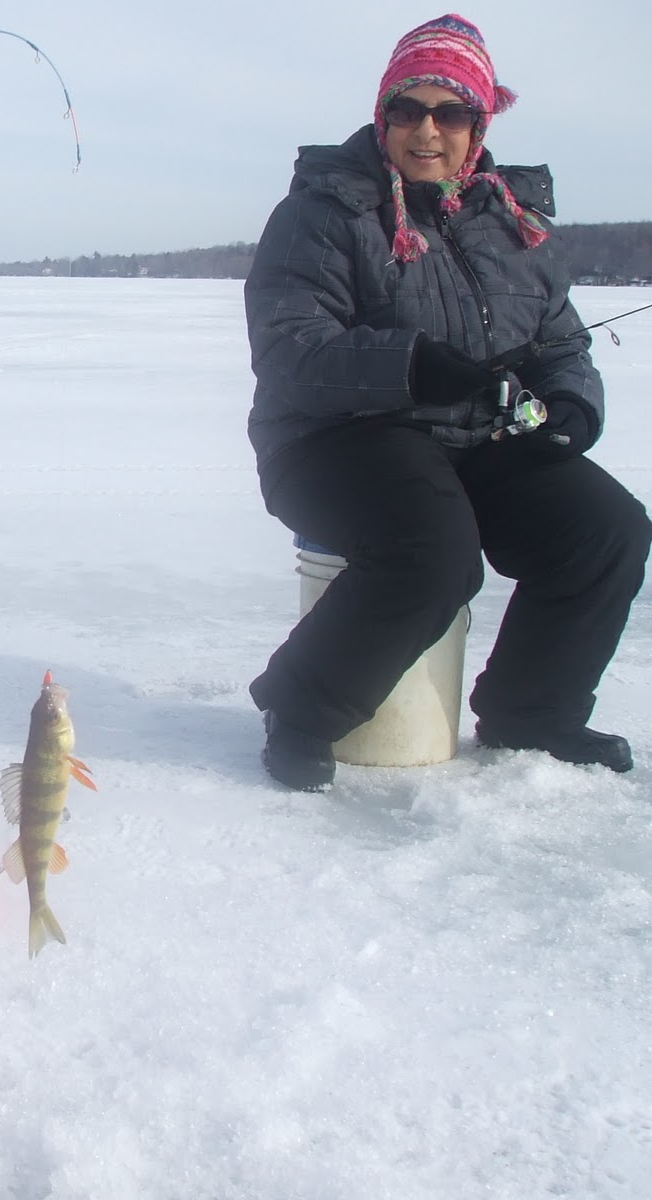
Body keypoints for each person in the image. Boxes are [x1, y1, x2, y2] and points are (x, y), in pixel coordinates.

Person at [242, 14, 650, 791]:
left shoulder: (511, 222)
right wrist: (416, 366)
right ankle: (298, 708)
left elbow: (562, 342)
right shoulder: (323, 214)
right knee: (435, 553)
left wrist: (570, 406)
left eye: (451, 112)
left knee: (607, 531)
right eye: (408, 110)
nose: (427, 130)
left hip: (475, 438)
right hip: (334, 439)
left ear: (479, 123)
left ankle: (534, 710)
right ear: (382, 116)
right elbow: (292, 350)